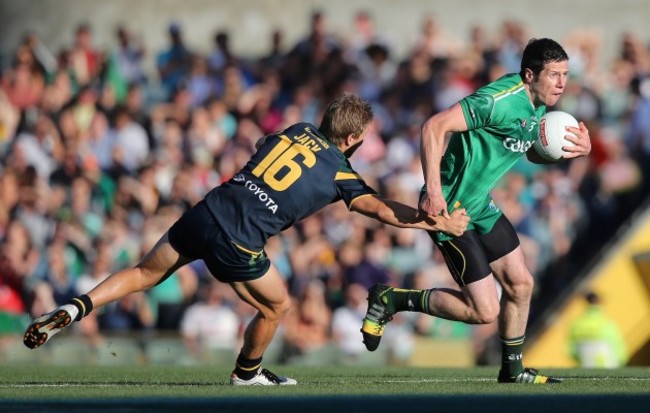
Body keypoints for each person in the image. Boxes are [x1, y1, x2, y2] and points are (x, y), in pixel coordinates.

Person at [23, 94, 469, 386]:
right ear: (352, 138)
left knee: (144, 273)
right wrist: (438, 224)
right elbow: (382, 210)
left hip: (208, 211)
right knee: (277, 306)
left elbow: (263, 140)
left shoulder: (294, 129)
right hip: (240, 240)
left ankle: (75, 306)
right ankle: (247, 372)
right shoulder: (341, 171)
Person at [360, 38, 592, 384]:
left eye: (565, 75)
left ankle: (512, 371)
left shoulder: (539, 104)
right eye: (554, 75)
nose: (562, 83)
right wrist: (434, 192)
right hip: (451, 209)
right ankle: (392, 298)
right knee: (484, 311)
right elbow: (434, 127)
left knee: (521, 283)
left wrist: (569, 149)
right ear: (529, 74)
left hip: (480, 204)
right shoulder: (497, 101)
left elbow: (524, 146)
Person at [568, 292, 628, 368]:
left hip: (586, 364)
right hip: (609, 364)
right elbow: (618, 345)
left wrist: (580, 361)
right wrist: (621, 361)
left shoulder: (577, 324)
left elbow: (571, 349)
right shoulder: (607, 324)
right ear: (599, 302)